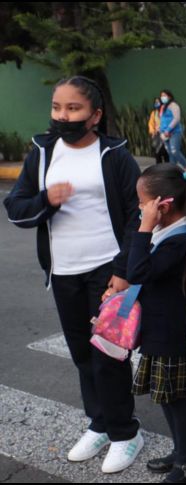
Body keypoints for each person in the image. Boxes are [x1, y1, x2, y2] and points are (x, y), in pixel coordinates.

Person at [3, 76, 143, 474]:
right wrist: (46, 200)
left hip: (106, 270)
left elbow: (138, 214)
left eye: (73, 109)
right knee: (83, 354)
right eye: (56, 108)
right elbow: (16, 207)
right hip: (64, 271)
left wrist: (124, 271)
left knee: (110, 355)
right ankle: (99, 423)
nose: (62, 116)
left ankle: (125, 432)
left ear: (95, 115)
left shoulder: (114, 155)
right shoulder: (43, 153)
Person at [124, 164, 186, 483]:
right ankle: (181, 452)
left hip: (170, 333)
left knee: (175, 399)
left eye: (142, 202)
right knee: (166, 396)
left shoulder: (178, 241)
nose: (139, 208)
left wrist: (144, 227)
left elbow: (138, 271)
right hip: (160, 329)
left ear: (163, 205)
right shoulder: (175, 230)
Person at [159, 89, 186, 170]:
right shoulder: (162, 107)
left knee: (174, 151)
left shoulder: (174, 105)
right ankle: (173, 170)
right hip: (164, 134)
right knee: (170, 153)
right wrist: (161, 131)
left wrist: (168, 129)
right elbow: (161, 119)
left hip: (174, 132)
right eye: (161, 96)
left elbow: (176, 118)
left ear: (169, 96)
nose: (162, 97)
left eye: (164, 95)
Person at [149, 97, 170, 164]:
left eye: (158, 102)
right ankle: (159, 169)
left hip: (165, 135)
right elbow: (151, 124)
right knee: (158, 153)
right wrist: (152, 131)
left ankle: (168, 168)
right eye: (156, 102)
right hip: (157, 136)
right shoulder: (154, 113)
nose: (157, 104)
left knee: (166, 153)